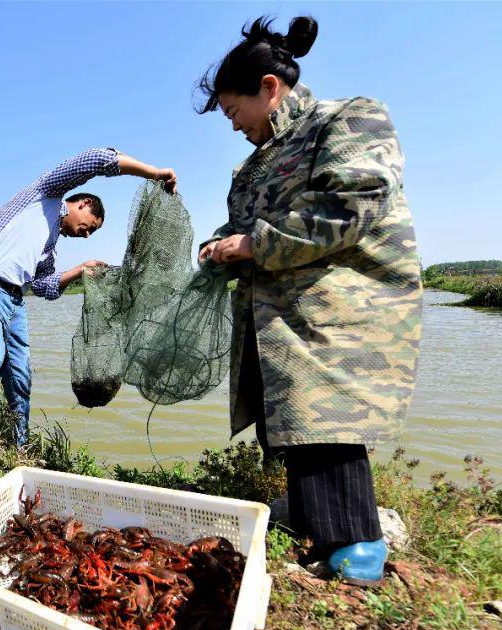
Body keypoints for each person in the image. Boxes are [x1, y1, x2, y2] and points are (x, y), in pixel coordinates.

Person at [194, 16, 423, 585]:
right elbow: (242, 227)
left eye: (233, 111)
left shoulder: (347, 118)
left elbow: (355, 200)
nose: (233, 126)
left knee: (325, 420)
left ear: (268, 88)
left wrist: (253, 243)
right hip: (273, 314)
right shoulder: (253, 165)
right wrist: (219, 246)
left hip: (332, 307)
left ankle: (358, 545)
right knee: (290, 420)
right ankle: (315, 531)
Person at [0, 148, 177, 494]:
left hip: (14, 300)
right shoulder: (45, 193)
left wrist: (79, 270)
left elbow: (42, 285)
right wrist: (153, 173)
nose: (85, 234)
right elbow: (97, 159)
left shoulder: (49, 243)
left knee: (20, 376)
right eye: (89, 228)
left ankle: (18, 447)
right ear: (83, 203)